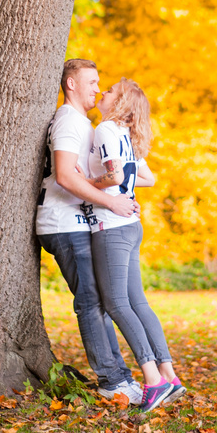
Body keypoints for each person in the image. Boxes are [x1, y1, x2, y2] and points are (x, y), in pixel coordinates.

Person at [36, 59, 142, 405]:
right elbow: (65, 176)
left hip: (80, 222)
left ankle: (119, 377)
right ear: (70, 84)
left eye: (100, 83)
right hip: (64, 224)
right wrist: (111, 204)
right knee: (92, 302)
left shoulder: (84, 124)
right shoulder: (68, 121)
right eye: (92, 82)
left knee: (99, 300)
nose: (98, 89)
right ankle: (112, 381)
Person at [82, 78, 186, 414]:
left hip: (112, 227)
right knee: (137, 302)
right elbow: (147, 178)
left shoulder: (106, 130)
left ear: (121, 101)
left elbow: (112, 176)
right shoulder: (125, 135)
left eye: (110, 90)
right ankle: (169, 376)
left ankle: (153, 381)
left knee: (116, 304)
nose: (103, 92)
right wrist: (125, 187)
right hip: (130, 226)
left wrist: (86, 183)